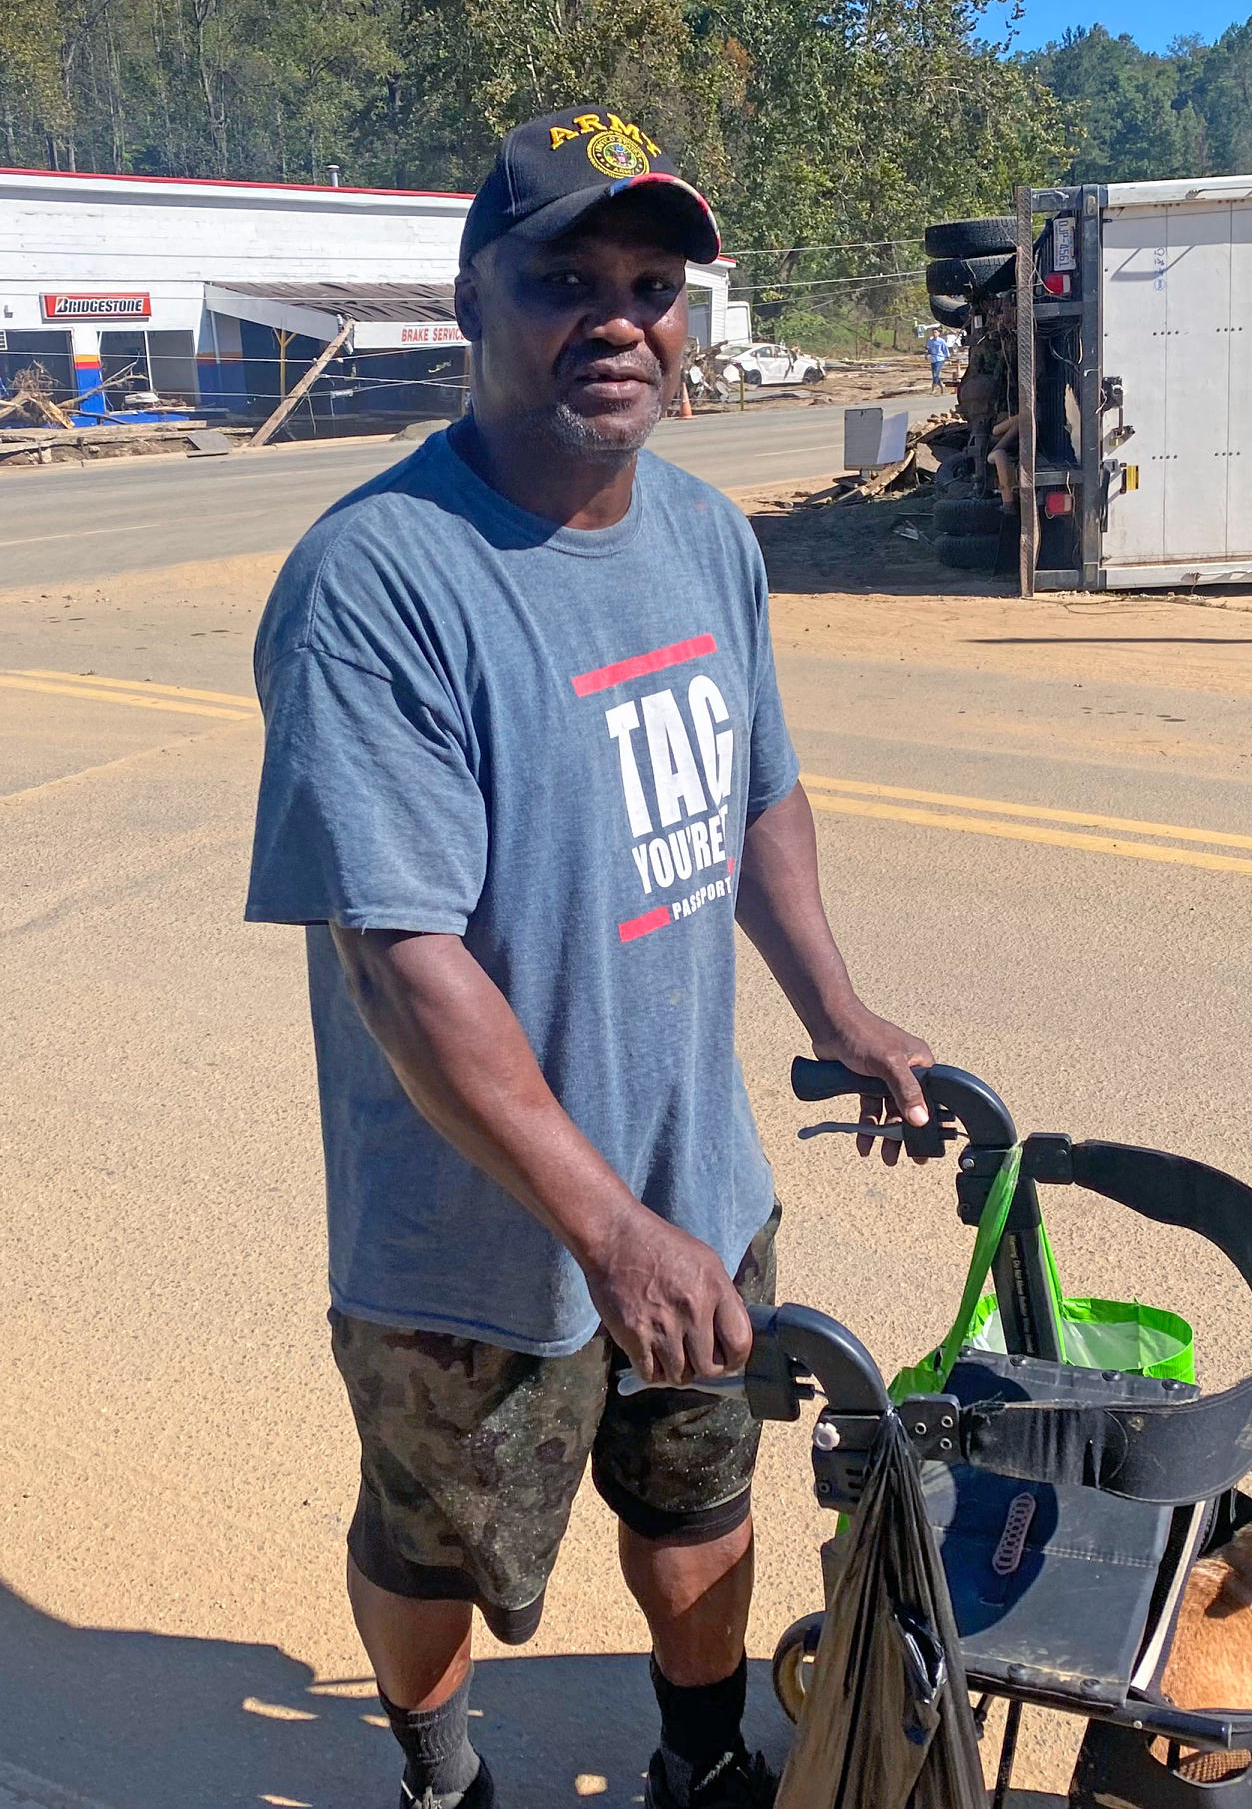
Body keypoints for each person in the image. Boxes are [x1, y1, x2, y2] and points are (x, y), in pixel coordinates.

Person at [246, 105, 934, 1809]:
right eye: (566, 276)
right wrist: (600, 1226)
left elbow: (760, 793)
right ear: (474, 302)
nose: (618, 316)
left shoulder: (704, 534)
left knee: (700, 1492)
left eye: (653, 281)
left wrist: (833, 1005)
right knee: (432, 1545)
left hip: (690, 1176)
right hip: (469, 1237)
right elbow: (405, 958)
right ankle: (440, 1766)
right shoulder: (381, 582)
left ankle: (698, 1760)